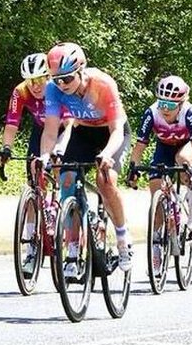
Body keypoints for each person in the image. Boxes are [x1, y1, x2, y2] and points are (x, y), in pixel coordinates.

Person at [37, 42, 133, 274]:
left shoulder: (103, 84)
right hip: (84, 132)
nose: (62, 85)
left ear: (81, 70)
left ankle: (122, 237)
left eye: (67, 79)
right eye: (56, 79)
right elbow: (50, 131)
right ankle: (72, 249)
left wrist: (107, 154)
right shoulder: (53, 89)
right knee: (67, 181)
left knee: (105, 180)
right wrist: (43, 157)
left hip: (111, 133)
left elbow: (117, 130)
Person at [126, 75, 192, 237]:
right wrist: (133, 169)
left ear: (181, 104)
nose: (165, 109)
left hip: (185, 145)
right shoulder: (152, 113)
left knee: (183, 160)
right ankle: (156, 242)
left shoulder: (189, 113)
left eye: (170, 104)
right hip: (164, 147)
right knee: (155, 189)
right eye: (162, 103)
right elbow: (140, 146)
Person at [0, 53, 50, 174]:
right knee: (33, 171)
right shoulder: (21, 91)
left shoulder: (59, 89)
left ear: (49, 77)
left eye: (39, 79)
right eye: (30, 81)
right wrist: (6, 148)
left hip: (64, 129)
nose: (35, 86)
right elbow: (11, 123)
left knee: (62, 171)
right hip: (41, 128)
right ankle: (37, 192)